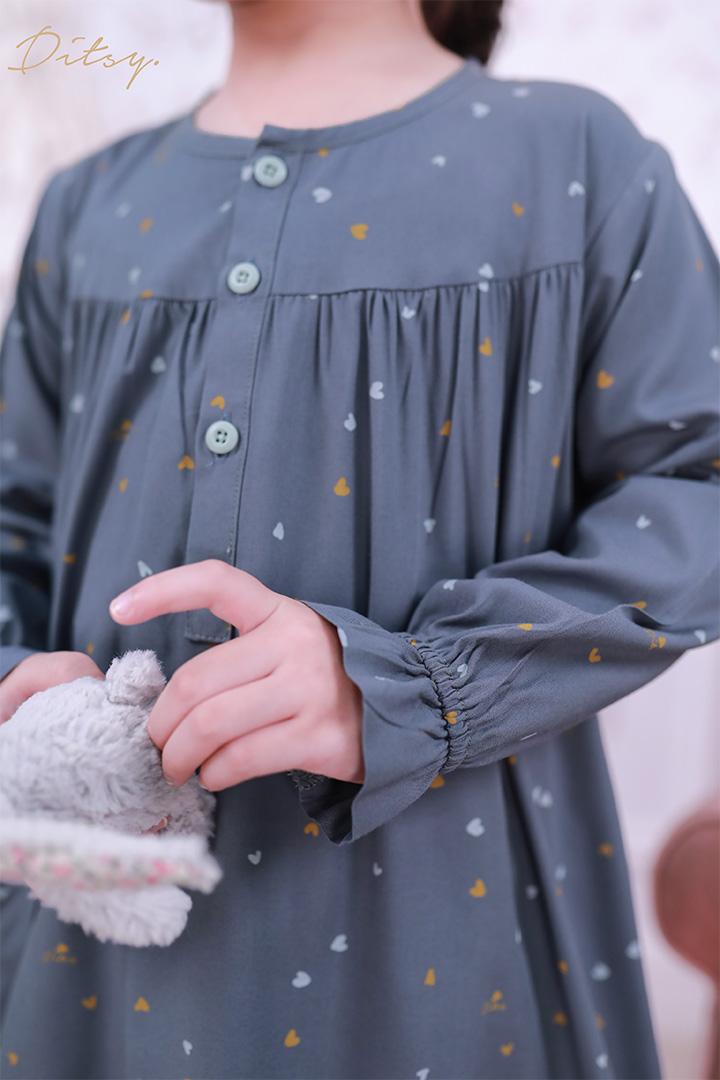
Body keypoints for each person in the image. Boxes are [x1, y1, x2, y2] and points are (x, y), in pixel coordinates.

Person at [0, 1, 718, 1077]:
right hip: (89, 956)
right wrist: (17, 684)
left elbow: (698, 480)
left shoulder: (577, 163)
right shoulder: (87, 206)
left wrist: (412, 685)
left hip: (453, 942)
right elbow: (14, 517)